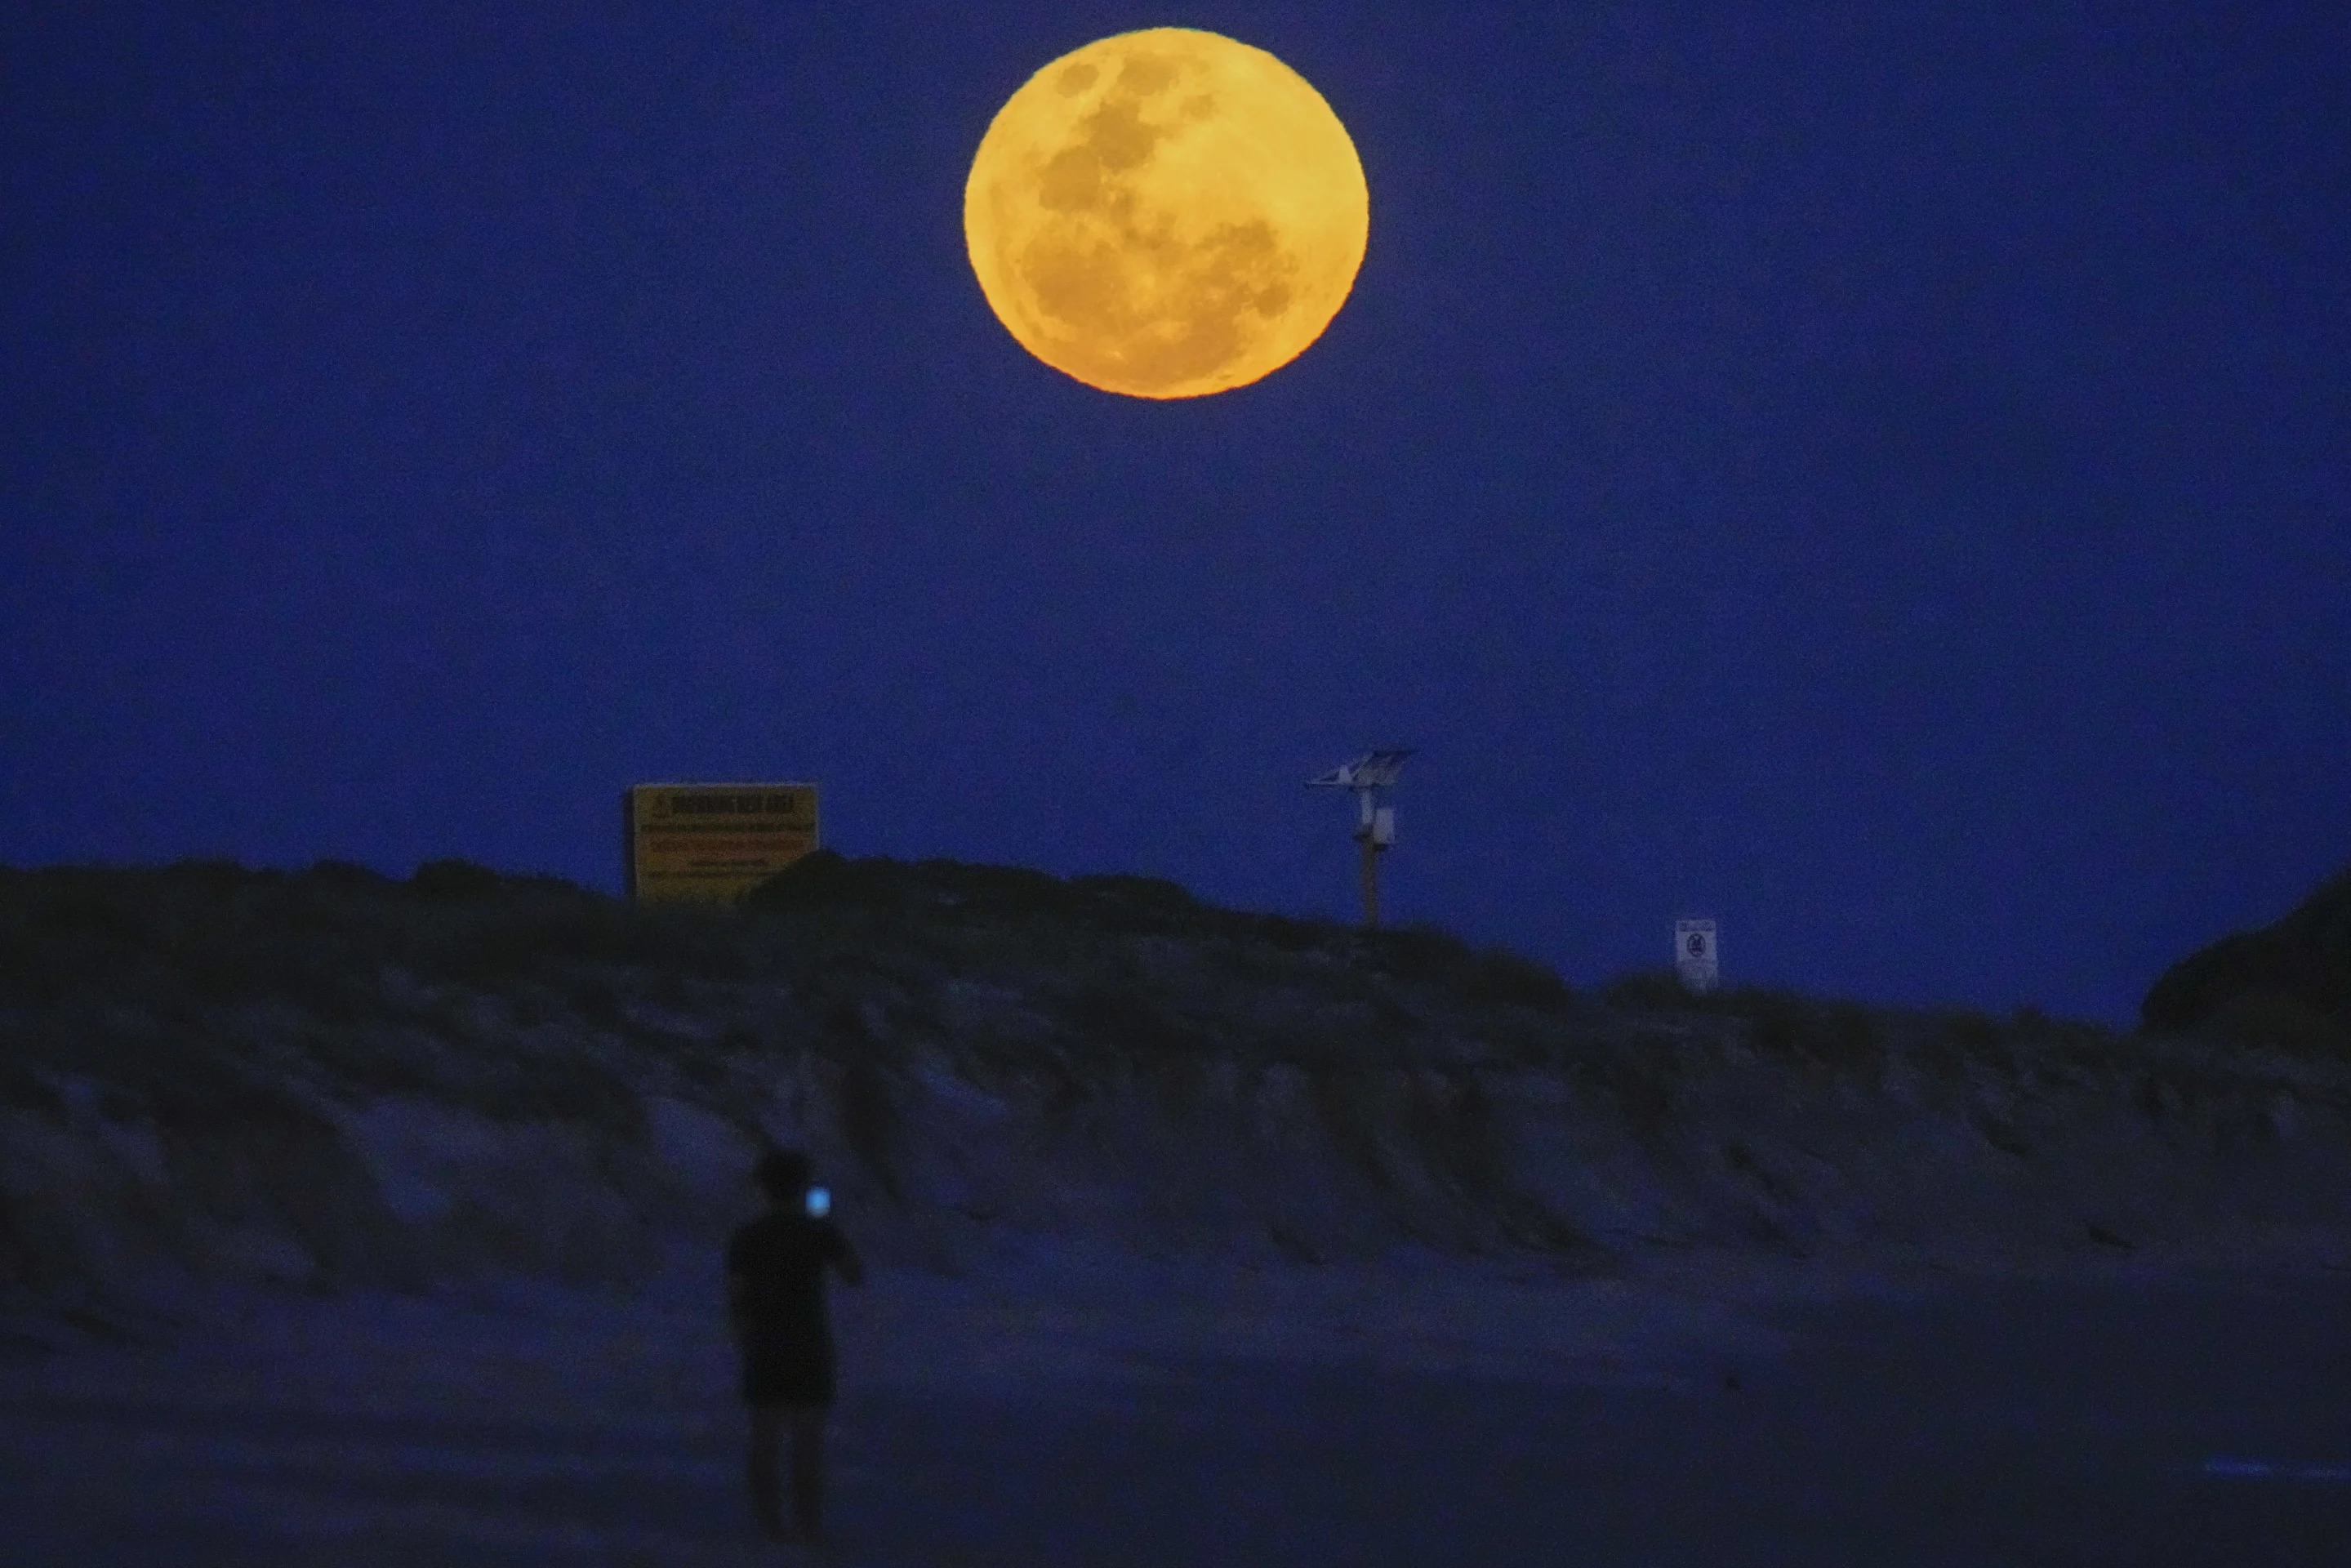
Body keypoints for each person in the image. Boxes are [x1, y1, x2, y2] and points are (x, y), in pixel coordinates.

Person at [726, 1147, 865, 1548]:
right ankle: (808, 1525)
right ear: (803, 1187)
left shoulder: (748, 1236)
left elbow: (736, 1297)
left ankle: (771, 1525)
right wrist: (827, 1226)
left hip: (766, 1345)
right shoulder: (818, 1231)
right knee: (808, 1443)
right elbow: (854, 1274)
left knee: (765, 1439)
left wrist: (743, 1341)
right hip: (809, 1343)